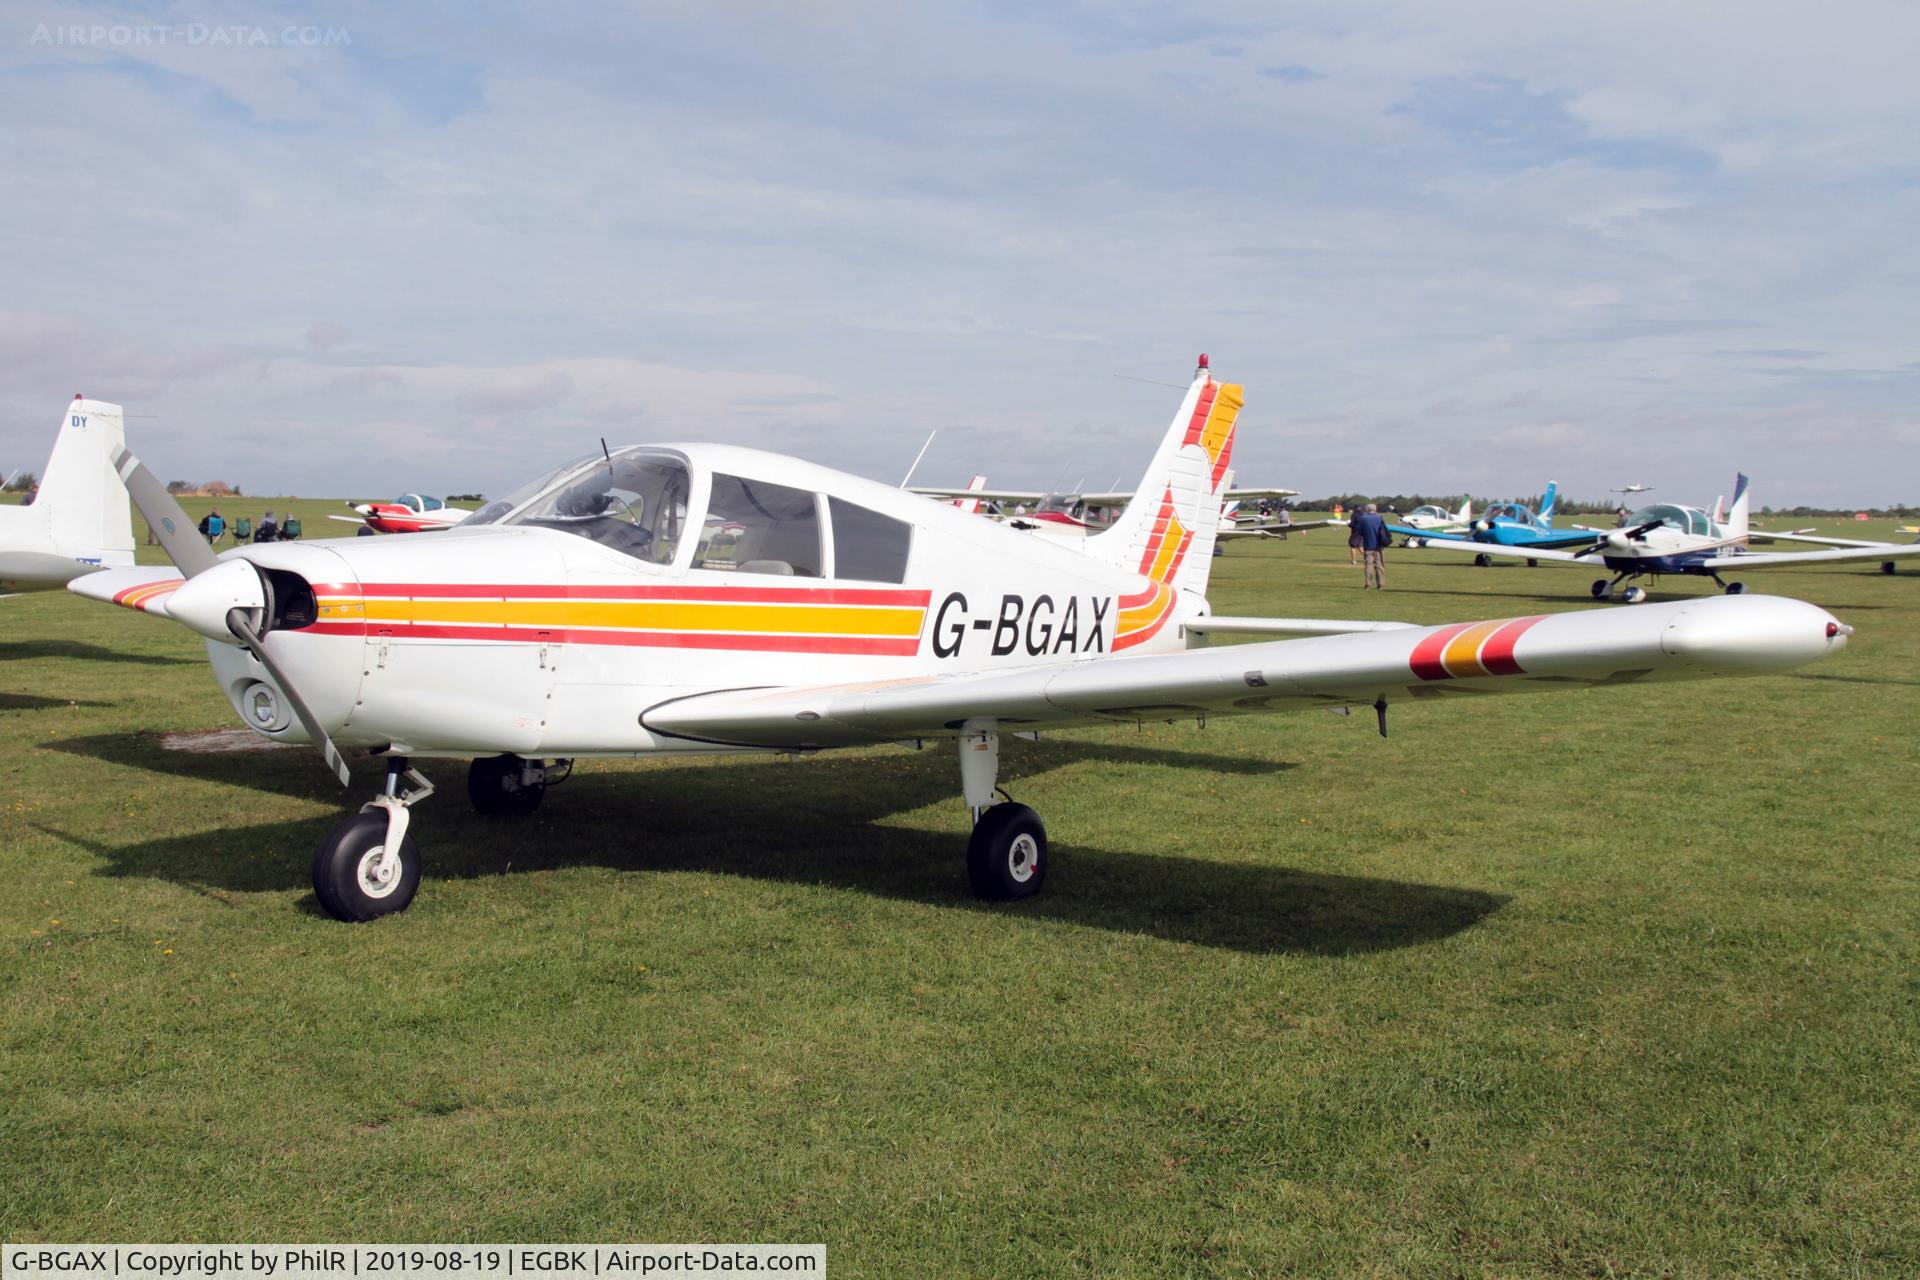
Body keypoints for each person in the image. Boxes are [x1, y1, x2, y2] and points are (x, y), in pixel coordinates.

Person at [1355, 503, 1391, 589]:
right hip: (1379, 546)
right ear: (1375, 509)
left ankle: (1368, 584)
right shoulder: (1380, 518)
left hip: (1368, 546)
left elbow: (1360, 533)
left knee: (1368, 565)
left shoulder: (1363, 519)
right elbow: (1385, 531)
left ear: (1367, 510)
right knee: (1379, 565)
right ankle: (1381, 584)